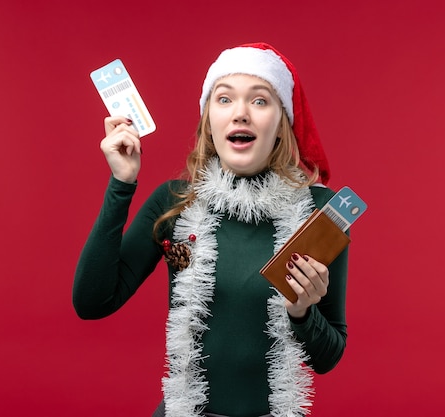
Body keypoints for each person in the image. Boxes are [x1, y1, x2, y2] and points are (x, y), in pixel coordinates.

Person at [73, 42, 350, 417]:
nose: (240, 114)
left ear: (282, 125)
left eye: (259, 101)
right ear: (208, 122)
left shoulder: (317, 213)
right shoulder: (175, 202)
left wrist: (302, 312)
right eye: (224, 99)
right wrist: (121, 184)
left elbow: (327, 358)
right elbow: (92, 302)